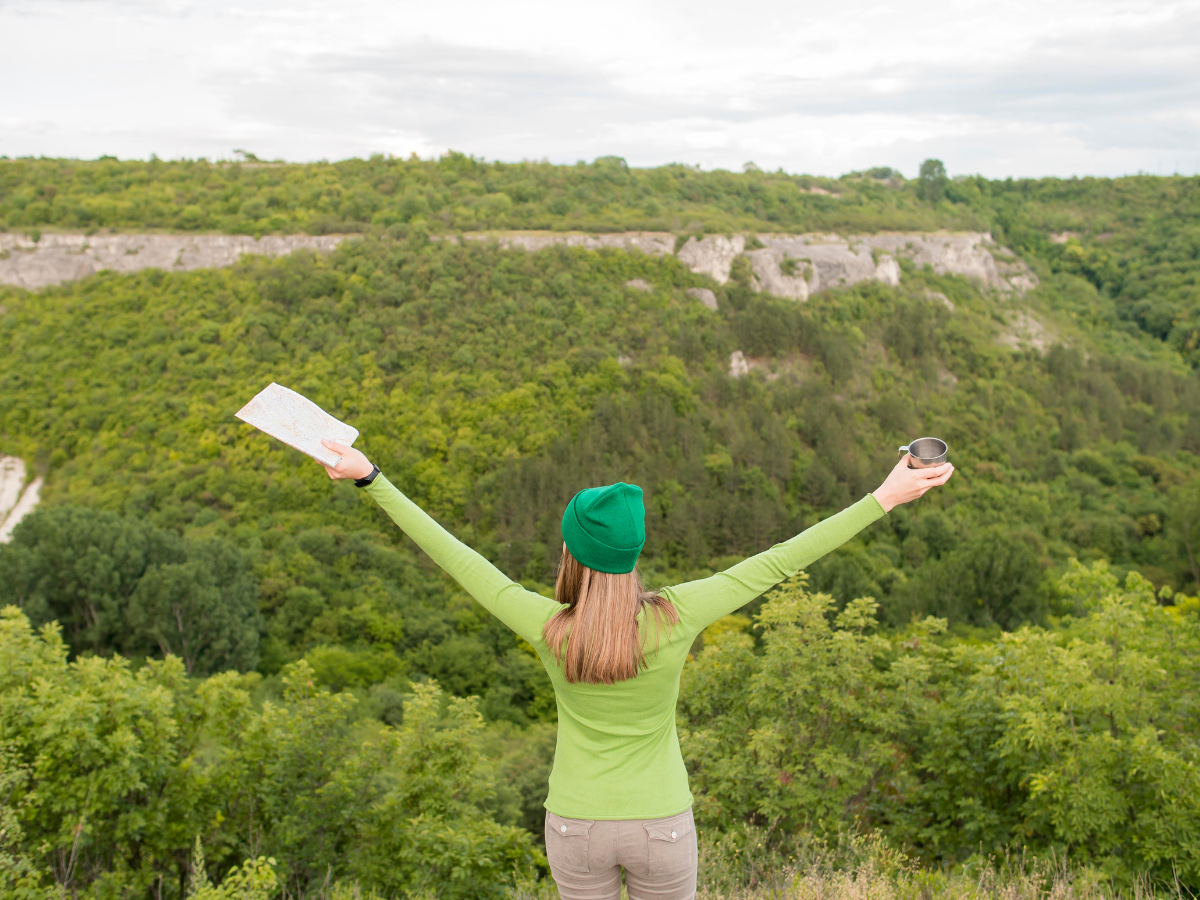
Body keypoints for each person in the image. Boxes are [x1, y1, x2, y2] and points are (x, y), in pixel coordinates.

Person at [319, 439, 953, 900]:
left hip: (575, 823)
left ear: (570, 552)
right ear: (634, 550)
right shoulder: (677, 615)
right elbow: (782, 559)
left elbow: (455, 556)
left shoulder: (547, 627)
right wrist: (884, 497)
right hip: (660, 824)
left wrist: (370, 477)